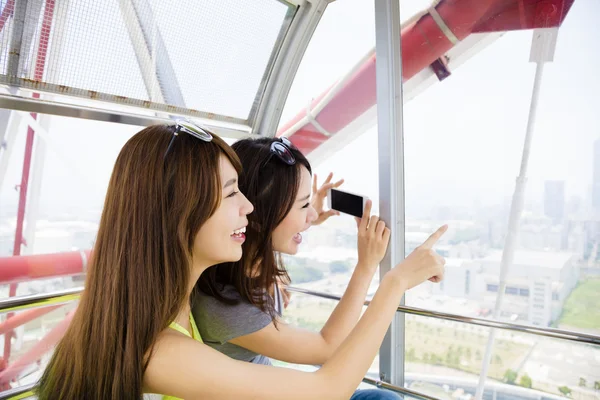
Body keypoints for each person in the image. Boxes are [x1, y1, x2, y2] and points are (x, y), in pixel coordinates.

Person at [37, 121, 446, 400]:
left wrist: (303, 215)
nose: (249, 207)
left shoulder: (164, 309)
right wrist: (391, 282)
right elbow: (327, 390)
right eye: (233, 193)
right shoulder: (164, 350)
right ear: (180, 212)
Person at [194, 137, 437, 399]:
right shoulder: (224, 306)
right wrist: (367, 266)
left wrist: (308, 217)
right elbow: (327, 348)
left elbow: (268, 236)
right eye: (302, 205)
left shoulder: (248, 263)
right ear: (261, 217)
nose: (310, 214)